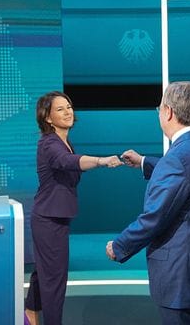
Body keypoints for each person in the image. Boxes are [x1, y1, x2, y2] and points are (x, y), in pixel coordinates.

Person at [105, 81, 190, 325]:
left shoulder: (178, 159)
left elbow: (153, 218)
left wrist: (119, 246)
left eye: (159, 108)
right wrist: (144, 162)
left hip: (181, 276)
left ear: (169, 112)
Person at [25, 91, 122, 325]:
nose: (68, 112)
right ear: (47, 118)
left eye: (69, 107)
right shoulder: (49, 144)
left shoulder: (64, 141)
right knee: (54, 281)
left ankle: (29, 315)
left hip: (54, 217)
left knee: (44, 273)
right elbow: (69, 162)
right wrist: (101, 161)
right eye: (60, 109)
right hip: (49, 219)